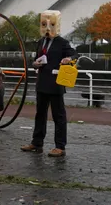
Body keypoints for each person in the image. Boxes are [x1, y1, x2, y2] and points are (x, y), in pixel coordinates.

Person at [21, 10, 79, 157]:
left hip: (55, 84)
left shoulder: (62, 42)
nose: (47, 28)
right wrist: (35, 64)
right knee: (40, 114)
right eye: (44, 24)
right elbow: (36, 59)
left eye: (51, 24)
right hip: (42, 83)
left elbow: (74, 54)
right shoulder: (40, 42)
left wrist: (68, 59)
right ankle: (37, 143)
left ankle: (60, 146)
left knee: (58, 116)